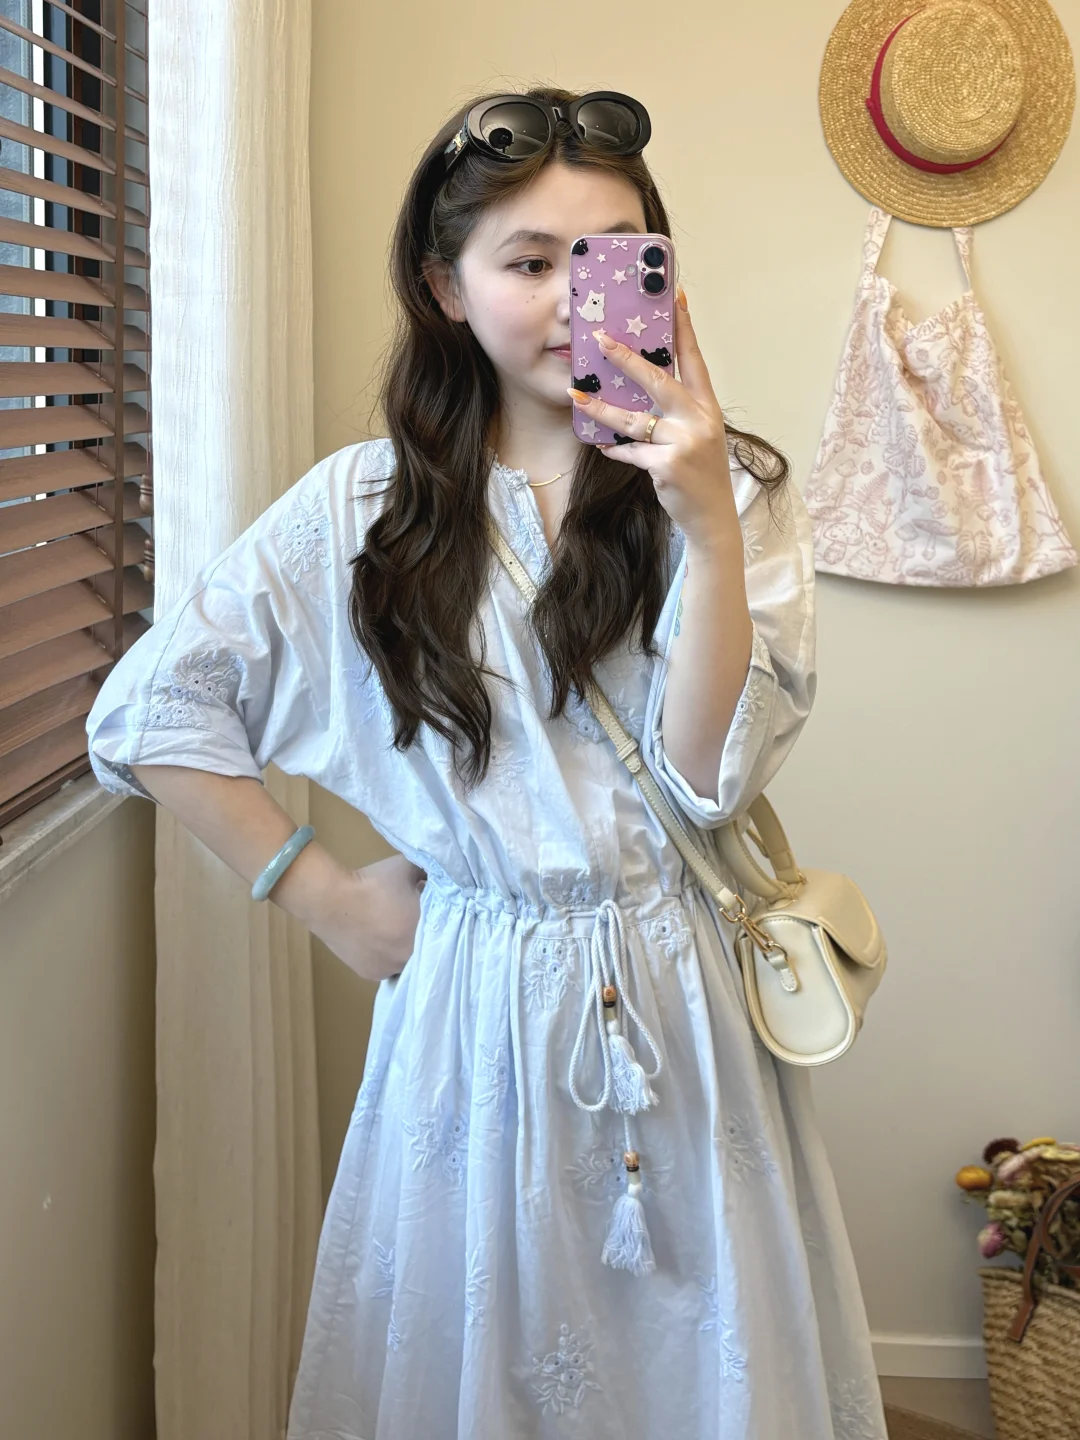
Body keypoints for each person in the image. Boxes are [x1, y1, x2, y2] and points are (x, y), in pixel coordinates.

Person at [85, 84, 888, 1440]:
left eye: (611, 257)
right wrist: (326, 899)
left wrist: (704, 523)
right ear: (444, 287)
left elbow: (710, 778)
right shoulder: (362, 508)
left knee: (705, 1370)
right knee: (478, 1366)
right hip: (472, 1011)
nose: (575, 299)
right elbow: (151, 711)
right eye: (528, 262)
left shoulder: (733, 489)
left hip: (680, 997)